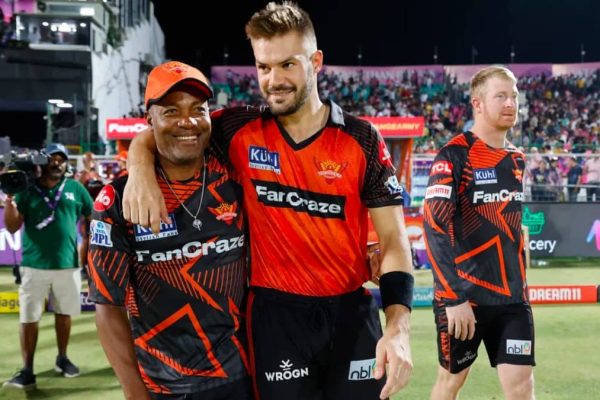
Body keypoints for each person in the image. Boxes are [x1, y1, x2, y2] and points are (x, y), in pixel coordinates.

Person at [123, 3, 414, 399]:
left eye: (287, 65)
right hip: (275, 319)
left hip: (350, 314)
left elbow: (394, 241)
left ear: (316, 62)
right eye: (264, 67)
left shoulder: (362, 139)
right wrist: (139, 164)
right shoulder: (237, 129)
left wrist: (398, 328)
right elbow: (175, 129)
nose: (274, 80)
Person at [88, 61, 251, 400]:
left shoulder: (234, 174)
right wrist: (135, 393)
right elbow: (107, 308)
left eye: (198, 109)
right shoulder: (117, 200)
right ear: (149, 120)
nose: (187, 121)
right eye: (171, 111)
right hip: (163, 386)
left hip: (239, 377)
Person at [424, 65, 535, 400]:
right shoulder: (453, 155)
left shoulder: (517, 159)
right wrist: (453, 298)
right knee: (451, 382)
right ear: (478, 104)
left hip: (512, 300)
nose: (510, 103)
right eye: (500, 96)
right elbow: (435, 227)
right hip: (464, 299)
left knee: (522, 386)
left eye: (514, 96)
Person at [2, 143, 93, 390]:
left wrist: (89, 249)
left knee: (64, 314)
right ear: (43, 162)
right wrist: (9, 198)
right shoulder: (27, 189)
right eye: (52, 158)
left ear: (66, 163)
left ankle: (62, 358)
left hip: (68, 264)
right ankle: (27, 369)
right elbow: (11, 227)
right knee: (28, 317)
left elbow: (92, 217)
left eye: (61, 159)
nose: (57, 163)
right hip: (33, 265)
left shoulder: (75, 188)